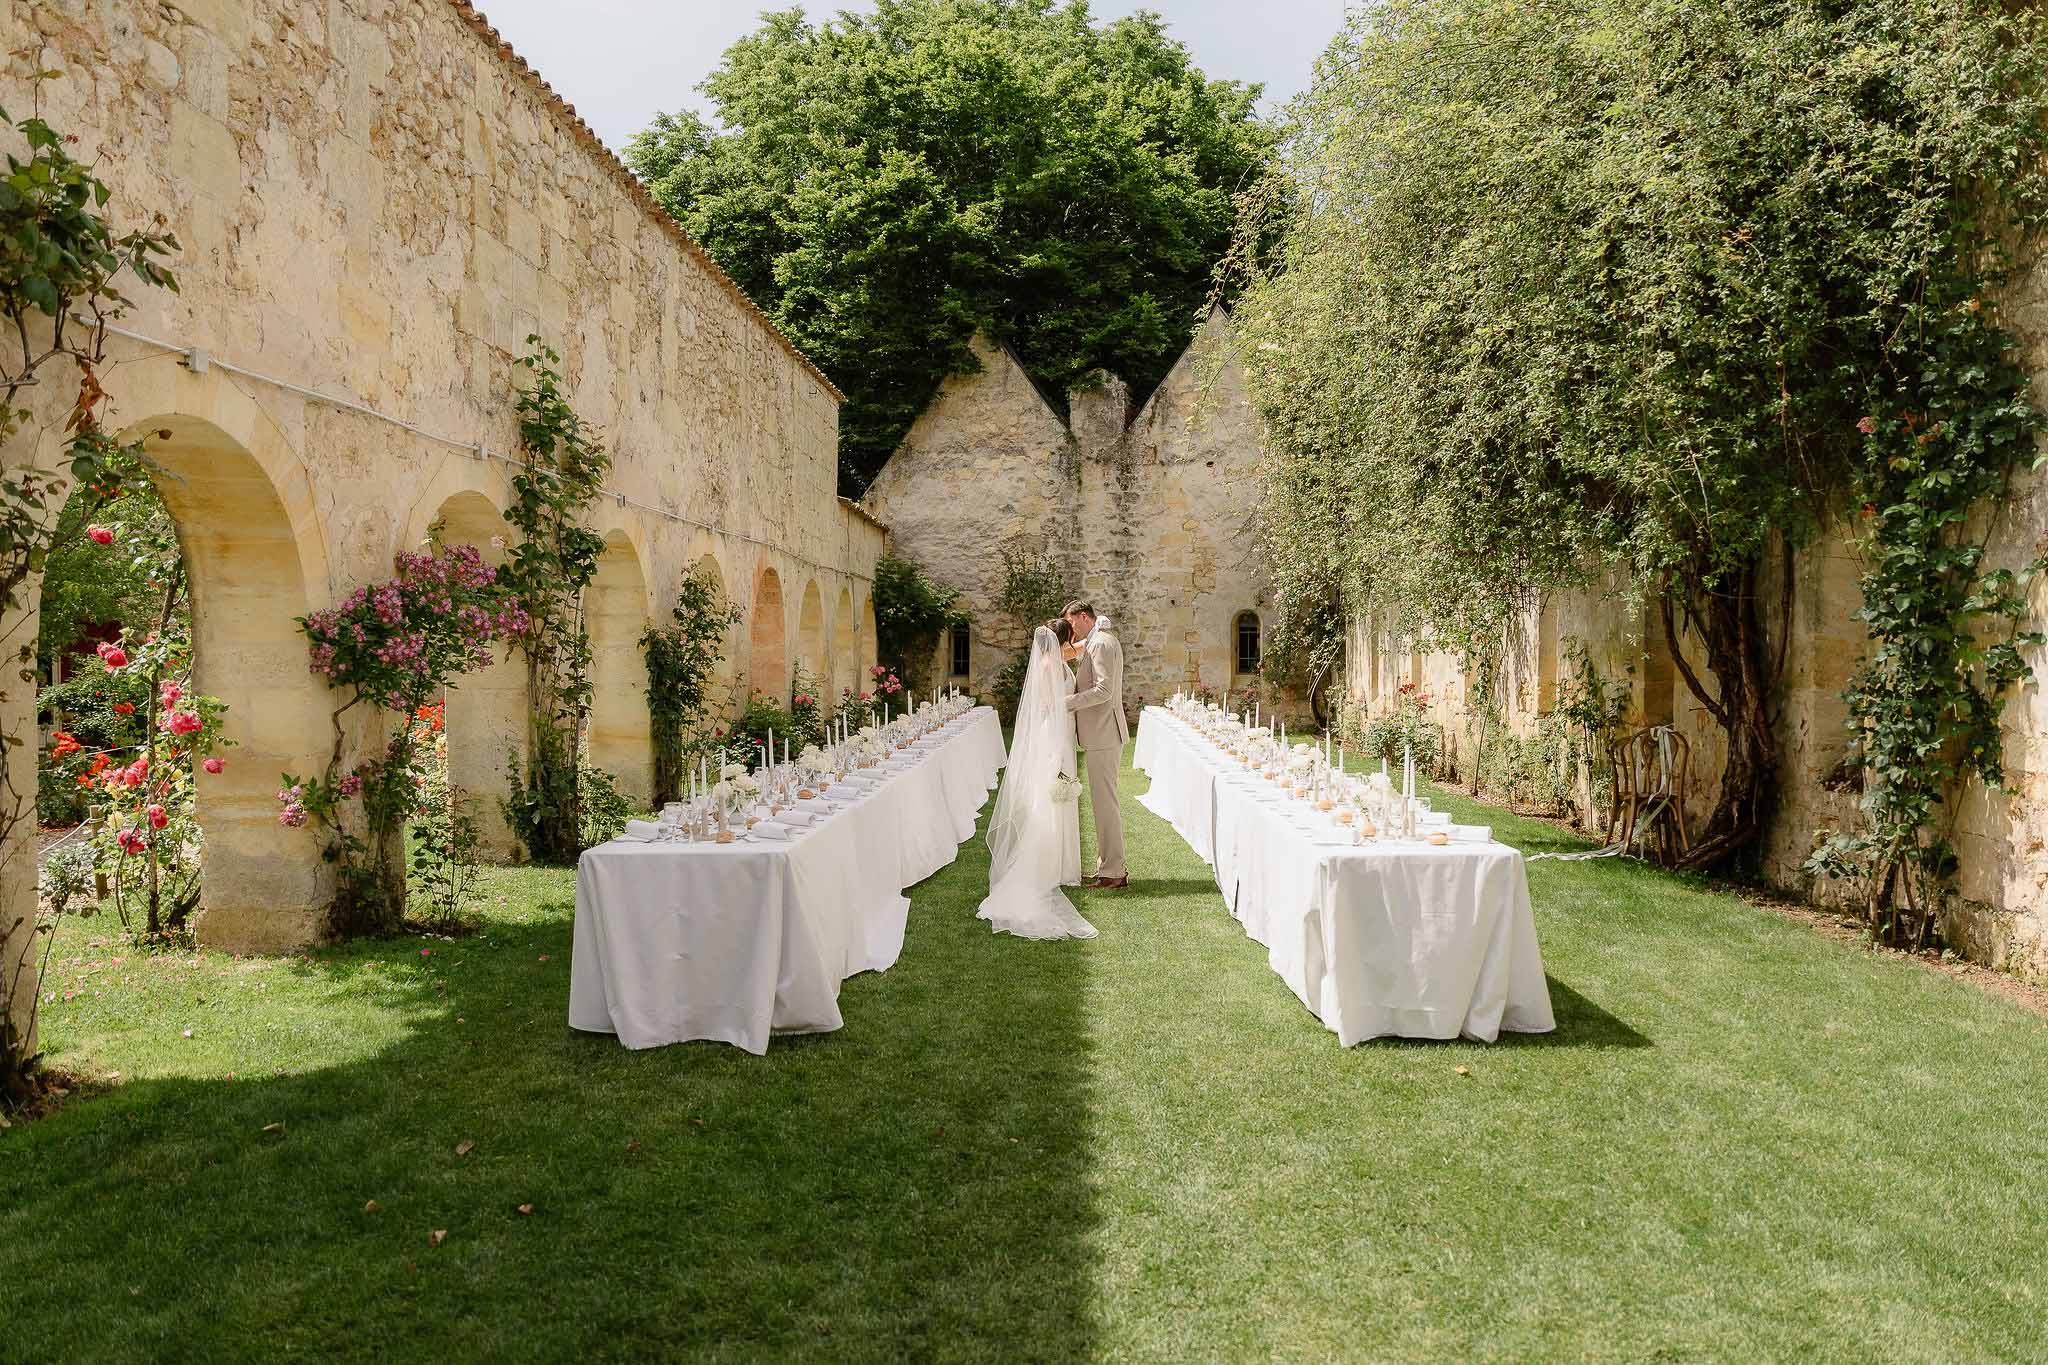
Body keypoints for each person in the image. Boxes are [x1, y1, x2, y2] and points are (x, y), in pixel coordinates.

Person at [976, 620, 1096, 940]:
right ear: (1062, 639)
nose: (1073, 641)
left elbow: (1077, 650)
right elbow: (1046, 704)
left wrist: (1095, 634)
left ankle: (1059, 864)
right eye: (1070, 637)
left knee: (1059, 795)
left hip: (1063, 732)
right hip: (1054, 733)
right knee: (1050, 794)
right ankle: (1043, 863)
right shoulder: (1047, 665)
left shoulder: (1056, 658)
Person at [1062, 600, 1130, 889]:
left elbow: (1103, 690)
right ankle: (1107, 867)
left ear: (1084, 617)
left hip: (1104, 733)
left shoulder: (1101, 642)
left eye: (1071, 622)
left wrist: (1065, 703)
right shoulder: (1095, 641)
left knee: (1105, 805)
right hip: (1101, 734)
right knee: (1102, 804)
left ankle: (1114, 872)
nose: (1071, 629)